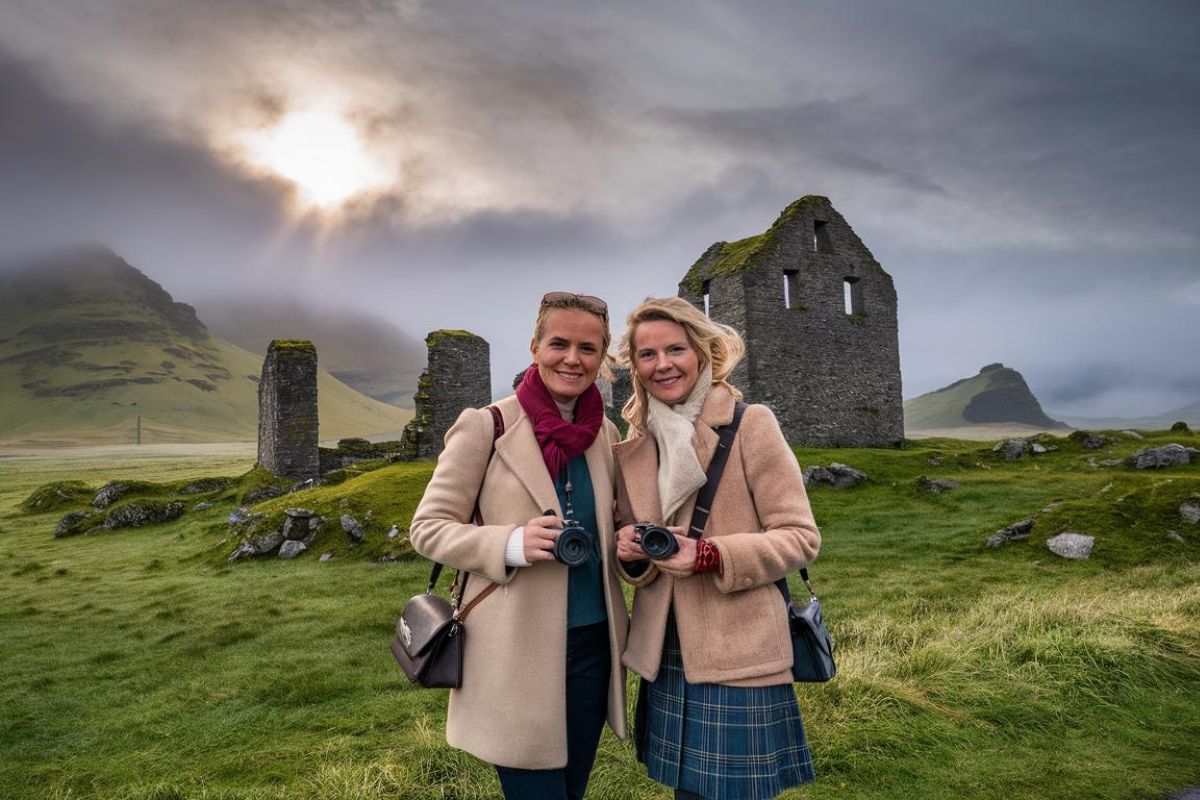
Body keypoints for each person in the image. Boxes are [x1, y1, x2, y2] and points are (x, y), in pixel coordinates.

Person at [409, 291, 628, 800]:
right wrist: (511, 543)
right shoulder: (487, 425)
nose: (572, 359)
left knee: (573, 790)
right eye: (559, 343)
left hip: (594, 646)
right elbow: (428, 527)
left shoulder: (605, 434)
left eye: (588, 348)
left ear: (603, 357)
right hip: (512, 652)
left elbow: (610, 532)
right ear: (534, 347)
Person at [613, 296, 821, 800]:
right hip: (667, 650)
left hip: (740, 648)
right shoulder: (636, 442)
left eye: (675, 349)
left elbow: (800, 537)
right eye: (647, 354)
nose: (662, 365)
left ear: (704, 352)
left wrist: (710, 555)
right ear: (634, 366)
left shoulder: (752, 424)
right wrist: (632, 552)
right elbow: (642, 560)